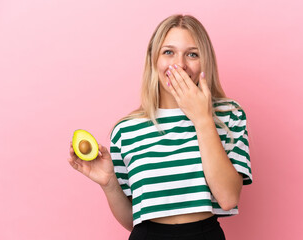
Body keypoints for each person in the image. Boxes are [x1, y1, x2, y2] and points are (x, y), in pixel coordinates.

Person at [68, 14, 252, 240]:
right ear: (153, 59)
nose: (180, 64)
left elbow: (228, 198)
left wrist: (202, 119)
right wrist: (109, 184)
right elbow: (132, 220)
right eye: (168, 52)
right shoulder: (127, 130)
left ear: (205, 62)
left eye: (192, 54)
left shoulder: (229, 114)